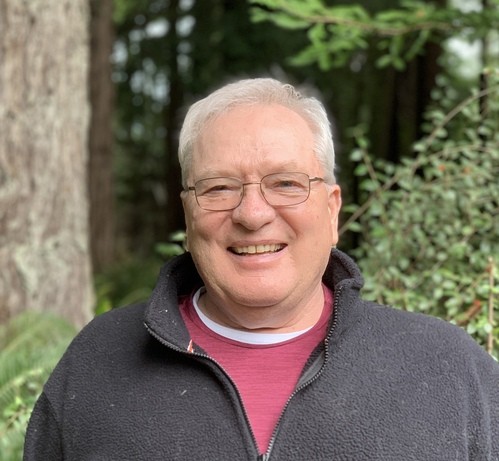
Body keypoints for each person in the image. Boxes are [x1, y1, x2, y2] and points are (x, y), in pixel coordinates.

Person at [24, 78, 498, 460]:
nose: (252, 214)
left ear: (332, 210)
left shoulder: (450, 372)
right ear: (188, 215)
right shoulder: (98, 361)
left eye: (286, 183)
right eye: (218, 188)